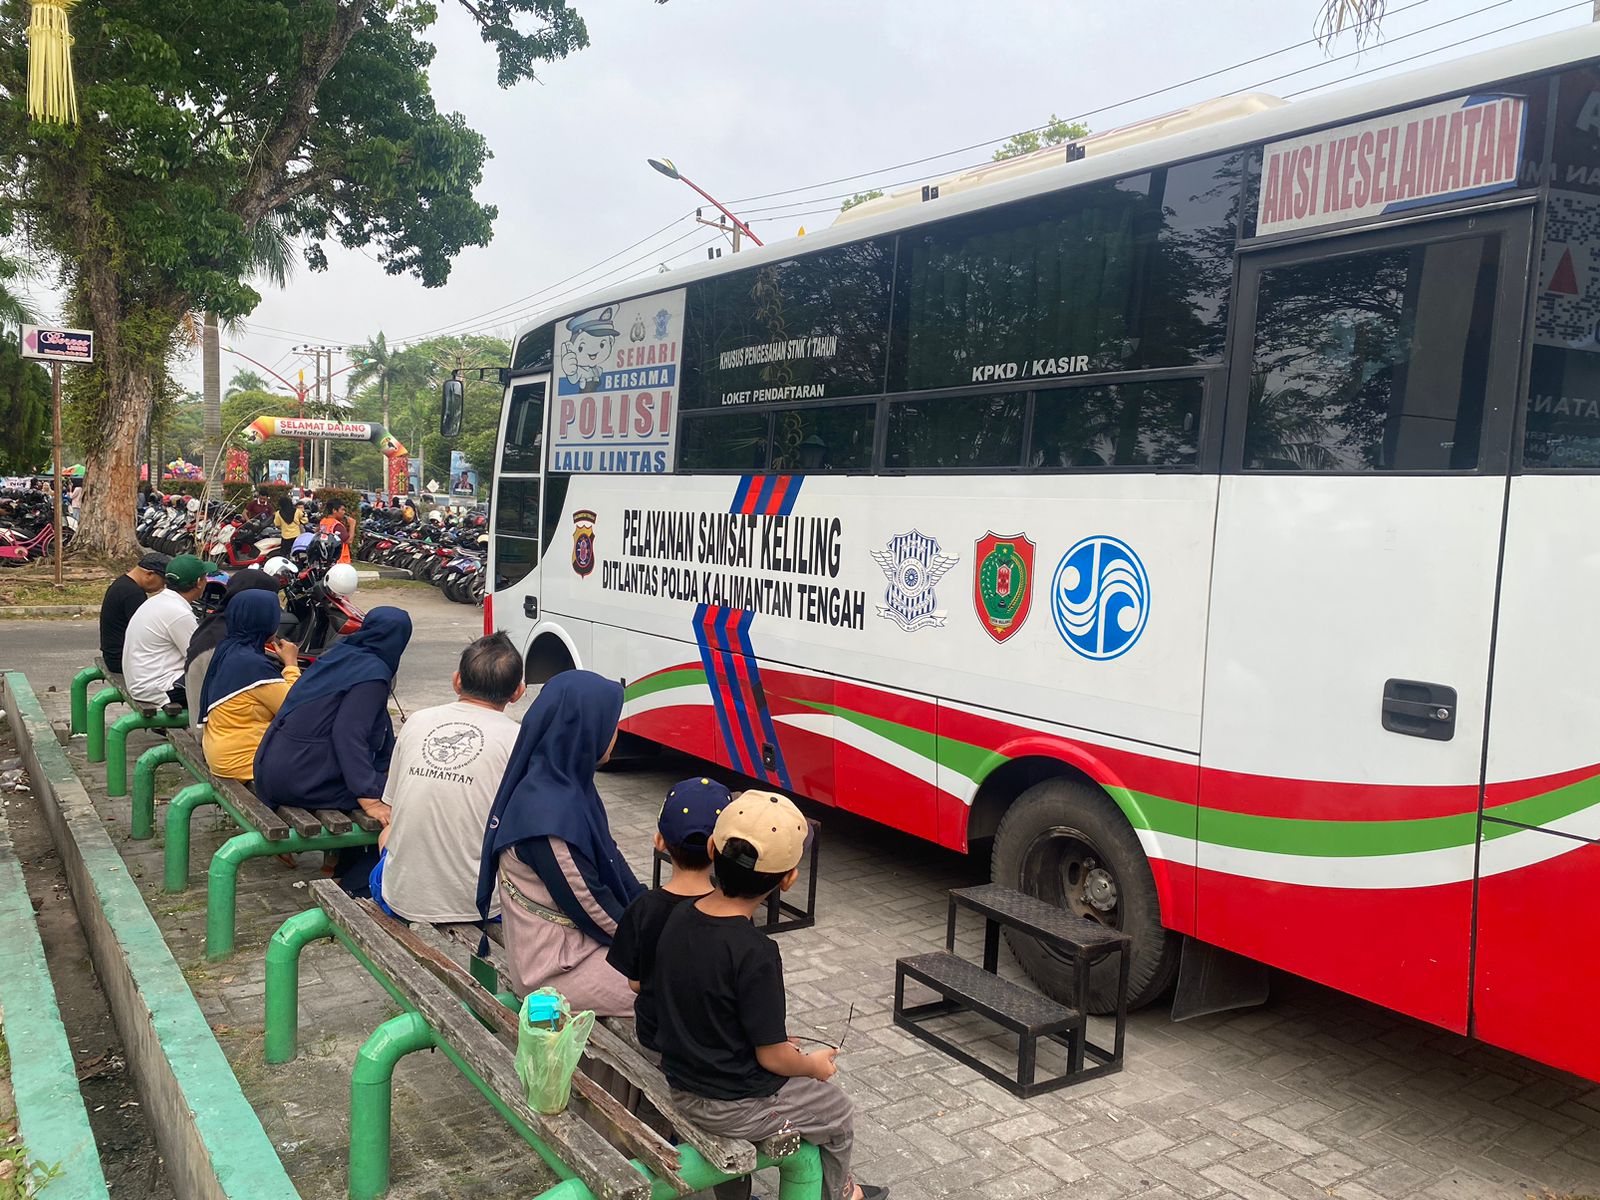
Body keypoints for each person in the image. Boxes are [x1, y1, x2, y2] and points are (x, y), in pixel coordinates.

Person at [654, 793, 886, 1200]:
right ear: (788, 879)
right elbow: (772, 1058)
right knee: (837, 1112)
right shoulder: (756, 951)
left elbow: (704, 1006)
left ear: (712, 849)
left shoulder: (678, 917)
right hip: (730, 1103)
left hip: (681, 1084)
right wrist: (811, 1066)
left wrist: (777, 1045)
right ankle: (839, 1193)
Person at [476, 671, 643, 1012]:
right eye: (611, 724)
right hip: (555, 968)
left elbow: (614, 865)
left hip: (579, 944)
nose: (616, 734)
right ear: (586, 729)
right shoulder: (547, 818)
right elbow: (593, 908)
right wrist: (652, 944)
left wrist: (655, 914)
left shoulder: (565, 785)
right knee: (677, 992)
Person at [368, 632, 524, 921]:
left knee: (387, 833)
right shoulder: (519, 740)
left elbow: (392, 806)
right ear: (518, 692)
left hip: (398, 896)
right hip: (480, 907)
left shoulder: (417, 721)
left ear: (456, 681)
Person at [253, 607, 411, 828]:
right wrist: (370, 798)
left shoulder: (342, 654)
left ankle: (337, 862)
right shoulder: (372, 674)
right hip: (300, 780)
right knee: (404, 795)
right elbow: (348, 734)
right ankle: (354, 863)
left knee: (386, 781)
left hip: (271, 771)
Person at [607, 777, 728, 1056]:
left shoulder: (643, 907)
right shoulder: (733, 913)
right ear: (718, 850)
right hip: (710, 1042)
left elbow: (635, 983)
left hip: (654, 1033)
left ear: (659, 841)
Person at [198, 590, 300, 783]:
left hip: (221, 752)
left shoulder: (229, 647)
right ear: (266, 622)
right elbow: (293, 707)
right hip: (242, 760)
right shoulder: (252, 664)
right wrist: (291, 664)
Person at [183, 569, 284, 728]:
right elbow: (288, 706)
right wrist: (292, 666)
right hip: (209, 735)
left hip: (208, 731)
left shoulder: (216, 626)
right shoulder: (233, 647)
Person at [122, 555, 210, 708]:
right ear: (198, 583)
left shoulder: (158, 601)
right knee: (227, 684)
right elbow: (199, 658)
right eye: (205, 577)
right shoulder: (178, 613)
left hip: (141, 680)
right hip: (159, 687)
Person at [99, 552, 169, 673]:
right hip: (122, 660)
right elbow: (146, 631)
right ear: (150, 574)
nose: (162, 587)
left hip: (113, 655)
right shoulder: (133, 594)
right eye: (162, 582)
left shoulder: (122, 583)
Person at [318, 497, 353, 564]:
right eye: (342, 510)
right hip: (340, 561)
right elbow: (349, 541)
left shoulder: (323, 521)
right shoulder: (337, 525)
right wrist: (352, 525)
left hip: (326, 557)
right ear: (334, 510)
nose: (344, 512)